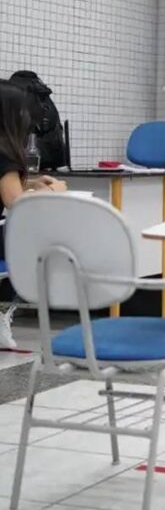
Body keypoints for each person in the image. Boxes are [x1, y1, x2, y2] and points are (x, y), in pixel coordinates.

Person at [0, 80, 66, 349]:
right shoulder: (4, 154)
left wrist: (32, 184)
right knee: (43, 249)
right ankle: (4, 314)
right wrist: (53, 192)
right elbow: (17, 202)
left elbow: (9, 187)